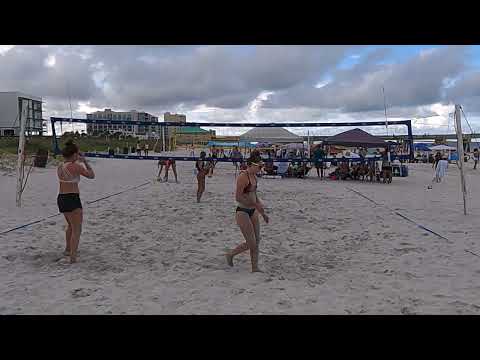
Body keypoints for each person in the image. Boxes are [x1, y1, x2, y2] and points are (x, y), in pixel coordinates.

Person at [226, 154, 268, 273]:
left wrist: (263, 213)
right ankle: (231, 254)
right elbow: (238, 197)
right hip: (242, 211)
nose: (260, 168)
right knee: (251, 243)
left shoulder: (254, 177)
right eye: (259, 166)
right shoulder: (243, 177)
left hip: (253, 211)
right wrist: (254, 204)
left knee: (257, 241)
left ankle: (255, 268)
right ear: (251, 165)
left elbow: (255, 196)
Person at [57, 140, 95, 264]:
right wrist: (85, 162)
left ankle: (68, 249)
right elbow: (91, 175)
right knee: (77, 229)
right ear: (74, 154)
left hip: (61, 198)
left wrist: (78, 159)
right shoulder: (76, 166)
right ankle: (72, 258)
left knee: (70, 227)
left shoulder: (60, 166)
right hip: (72, 198)